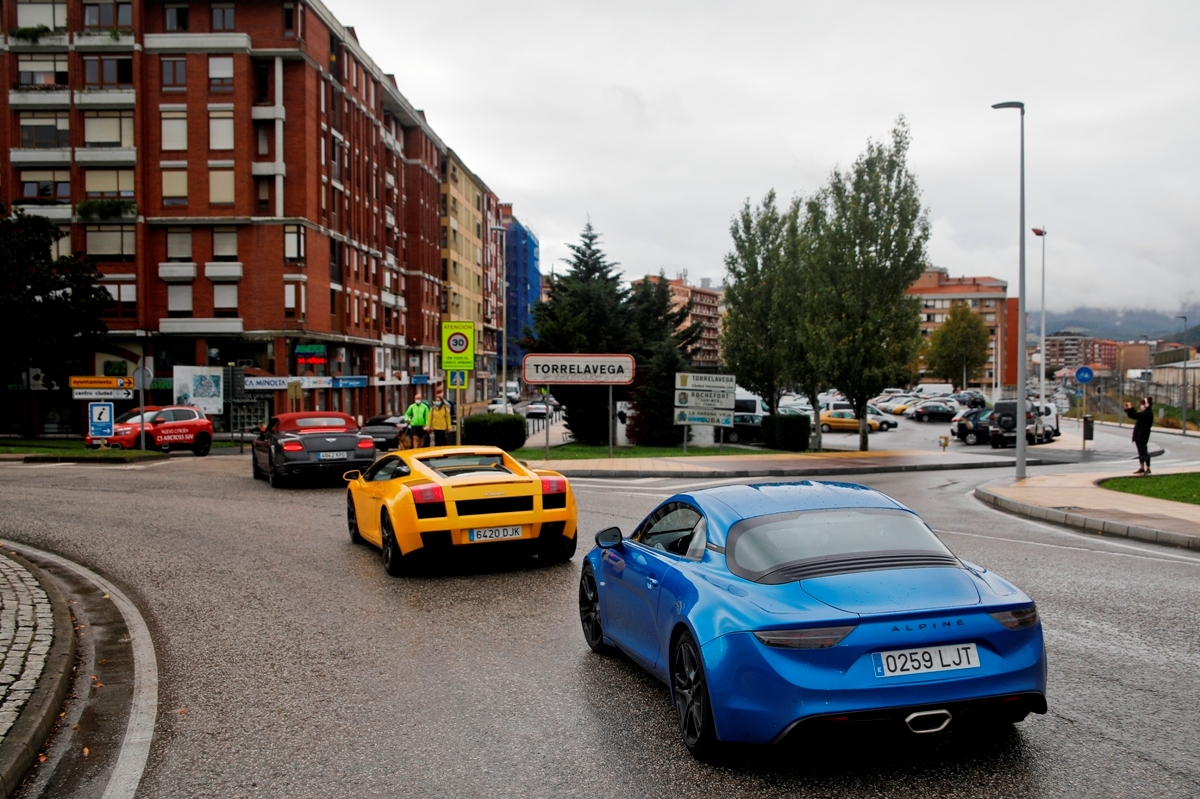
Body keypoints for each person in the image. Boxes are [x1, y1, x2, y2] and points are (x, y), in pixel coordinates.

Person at [1124, 396, 1154, 475]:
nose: (1142, 405)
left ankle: (1148, 468)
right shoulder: (1145, 412)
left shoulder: (1148, 413)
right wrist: (1129, 409)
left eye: (1143, 403)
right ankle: (1142, 467)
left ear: (1147, 404)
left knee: (1144, 451)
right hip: (1139, 435)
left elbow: (1136, 415)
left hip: (1143, 435)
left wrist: (1131, 408)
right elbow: (1135, 415)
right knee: (1141, 452)